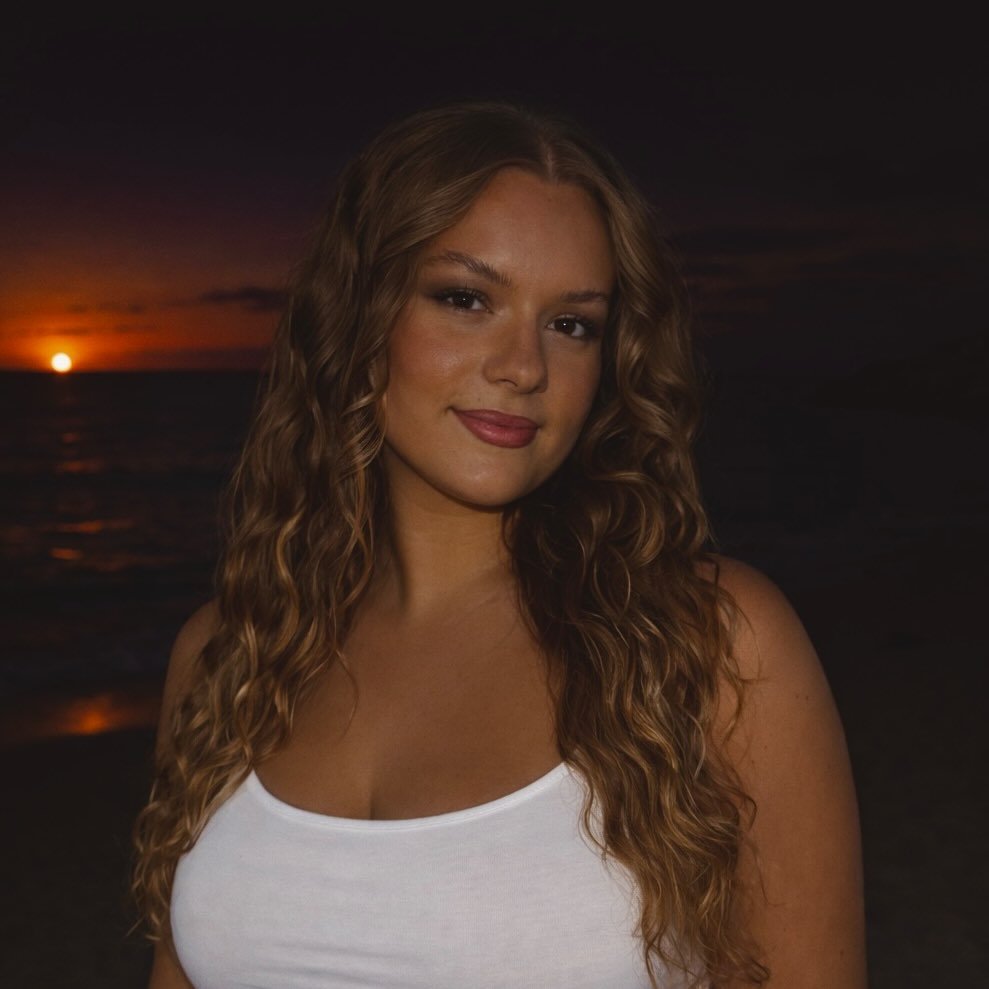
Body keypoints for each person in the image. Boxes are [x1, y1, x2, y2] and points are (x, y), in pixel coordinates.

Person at [132, 101, 866, 988]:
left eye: (571, 323)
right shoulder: (230, 652)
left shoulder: (709, 638)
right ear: (358, 315)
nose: (523, 366)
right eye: (465, 299)